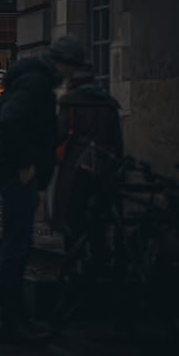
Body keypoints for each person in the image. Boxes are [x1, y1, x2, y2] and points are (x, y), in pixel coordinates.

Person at [0, 35, 84, 345]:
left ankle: (17, 321)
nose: (72, 75)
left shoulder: (33, 79)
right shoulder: (35, 82)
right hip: (18, 176)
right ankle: (12, 325)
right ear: (62, 64)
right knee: (16, 249)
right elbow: (10, 121)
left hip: (19, 174)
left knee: (17, 247)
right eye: (71, 68)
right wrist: (24, 166)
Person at [50, 65, 123, 262]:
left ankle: (74, 263)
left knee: (72, 215)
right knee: (99, 217)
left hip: (76, 166)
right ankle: (99, 261)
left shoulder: (71, 101)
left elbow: (60, 133)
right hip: (105, 166)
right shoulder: (108, 103)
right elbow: (117, 140)